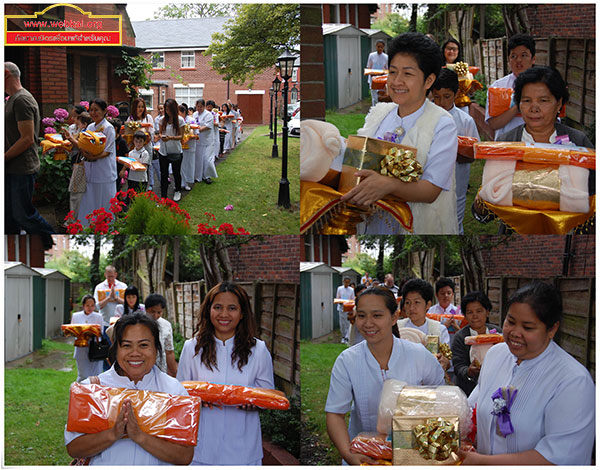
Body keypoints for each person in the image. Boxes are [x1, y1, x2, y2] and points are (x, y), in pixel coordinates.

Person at [459, 282, 595, 465]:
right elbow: (471, 407)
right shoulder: (495, 355)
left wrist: (483, 462)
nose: (515, 333)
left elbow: (559, 457)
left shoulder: (573, 381)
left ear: (552, 329)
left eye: (528, 327)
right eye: (511, 322)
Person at [339, 32, 459, 234]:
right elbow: (358, 158)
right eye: (393, 72)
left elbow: (431, 190)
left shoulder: (442, 123)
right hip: (371, 220)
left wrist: (388, 185)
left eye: (408, 74)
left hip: (414, 224)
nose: (396, 81)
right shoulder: (379, 113)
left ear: (428, 81)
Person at [325, 287, 444, 465]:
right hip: (365, 456)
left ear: (394, 317)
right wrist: (347, 453)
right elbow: (335, 413)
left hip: (415, 454)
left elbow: (442, 396)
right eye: (362, 316)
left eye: (377, 316)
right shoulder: (347, 361)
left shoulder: (418, 354)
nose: (368, 323)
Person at [474, 66, 595, 231]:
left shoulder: (578, 143)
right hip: (515, 233)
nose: (534, 108)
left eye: (543, 100)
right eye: (526, 100)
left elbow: (592, 198)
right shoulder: (506, 143)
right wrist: (484, 199)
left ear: (559, 103)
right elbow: (486, 212)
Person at [64, 312, 194, 465]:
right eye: (126, 345)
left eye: (144, 345)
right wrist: (113, 434)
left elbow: (185, 455)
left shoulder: (174, 391)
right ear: (116, 349)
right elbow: (74, 448)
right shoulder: (91, 389)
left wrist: (139, 436)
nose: (135, 353)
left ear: (156, 348)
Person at [177, 282, 275, 465]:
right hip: (201, 449)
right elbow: (179, 392)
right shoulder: (192, 348)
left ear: (242, 313)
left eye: (232, 308)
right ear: (208, 310)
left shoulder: (258, 350)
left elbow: (267, 393)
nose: (224, 314)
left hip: (244, 449)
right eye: (217, 307)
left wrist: (255, 403)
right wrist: (195, 400)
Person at [5, 62, 55, 248]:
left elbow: (26, 139)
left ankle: (50, 243)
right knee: (8, 218)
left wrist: (4, 158)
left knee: (23, 215)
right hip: (11, 168)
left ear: (6, 74)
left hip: (21, 168)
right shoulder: (11, 99)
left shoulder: (22, 100)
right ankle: (13, 249)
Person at [431, 68, 480, 233]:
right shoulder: (425, 117)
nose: (441, 103)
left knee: (454, 222)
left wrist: (456, 153)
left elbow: (475, 153)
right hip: (430, 182)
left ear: (457, 93)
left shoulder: (465, 121)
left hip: (457, 181)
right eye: (436, 97)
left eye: (446, 97)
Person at [63, 98, 117, 226]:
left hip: (104, 171)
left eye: (96, 110)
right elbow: (83, 145)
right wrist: (70, 138)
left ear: (104, 111)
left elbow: (108, 151)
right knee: (90, 200)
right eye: (91, 110)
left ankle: (106, 226)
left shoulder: (108, 128)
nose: (93, 113)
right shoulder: (91, 127)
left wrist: (93, 157)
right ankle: (88, 226)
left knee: (105, 200)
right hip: (90, 170)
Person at [485, 34, 536, 140]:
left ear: (533, 59)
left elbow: (552, 121)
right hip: (505, 146)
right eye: (513, 56)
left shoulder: (543, 86)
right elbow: (493, 124)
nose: (518, 60)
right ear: (508, 60)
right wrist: (518, 106)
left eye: (524, 55)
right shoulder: (497, 87)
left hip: (534, 146)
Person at [450, 291, 500, 396]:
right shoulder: (460, 337)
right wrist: (468, 371)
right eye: (470, 312)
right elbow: (458, 365)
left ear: (487, 312)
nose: (475, 316)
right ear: (465, 315)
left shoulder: (498, 333)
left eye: (479, 311)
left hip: (496, 386)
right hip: (469, 390)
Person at [398, 278, 450, 371]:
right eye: (407, 303)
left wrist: (444, 361)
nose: (411, 308)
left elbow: (448, 363)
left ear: (428, 305)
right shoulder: (397, 328)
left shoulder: (438, 330)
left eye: (417, 302)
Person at [156, 98, 184, 202]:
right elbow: (159, 132)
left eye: (170, 109)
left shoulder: (180, 120)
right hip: (163, 151)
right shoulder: (162, 120)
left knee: (176, 173)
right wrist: (160, 136)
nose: (168, 112)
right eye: (166, 109)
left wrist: (170, 138)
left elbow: (181, 136)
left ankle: (177, 190)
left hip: (176, 150)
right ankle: (163, 196)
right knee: (164, 174)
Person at [71, 295, 104, 382]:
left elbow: (101, 332)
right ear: (83, 305)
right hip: (81, 347)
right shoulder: (76, 316)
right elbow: (73, 331)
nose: (90, 308)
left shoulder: (98, 317)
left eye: (92, 305)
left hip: (95, 347)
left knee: (96, 373)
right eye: (87, 305)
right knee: (83, 374)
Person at [144, 294, 177, 377]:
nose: (155, 316)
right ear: (146, 309)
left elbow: (169, 351)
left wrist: (174, 372)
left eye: (159, 312)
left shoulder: (166, 325)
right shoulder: (139, 324)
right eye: (152, 312)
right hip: (142, 367)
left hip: (160, 368)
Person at [67, 112, 93, 217]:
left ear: (85, 124)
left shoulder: (85, 134)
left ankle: (74, 218)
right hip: (85, 166)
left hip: (81, 165)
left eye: (80, 123)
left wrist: (70, 138)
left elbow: (82, 148)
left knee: (76, 193)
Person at [127, 97, 156, 191]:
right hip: (135, 147)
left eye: (142, 107)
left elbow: (152, 132)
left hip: (146, 146)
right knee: (135, 165)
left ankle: (148, 184)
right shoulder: (131, 119)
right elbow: (128, 132)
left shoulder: (148, 118)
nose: (140, 109)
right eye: (138, 107)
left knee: (147, 165)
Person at [193, 99, 218, 185]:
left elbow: (207, 126)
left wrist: (197, 129)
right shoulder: (195, 114)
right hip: (198, 140)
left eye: (201, 106)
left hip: (208, 141)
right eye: (197, 107)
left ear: (204, 106)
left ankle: (207, 176)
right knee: (199, 159)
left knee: (207, 159)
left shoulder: (209, 115)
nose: (199, 108)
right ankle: (198, 176)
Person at [178, 103, 196, 191]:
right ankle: (181, 183)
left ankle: (187, 182)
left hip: (190, 146)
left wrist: (188, 137)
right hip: (180, 146)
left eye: (179, 113)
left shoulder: (192, 120)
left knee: (188, 165)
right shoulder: (177, 120)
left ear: (184, 112)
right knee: (181, 166)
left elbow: (195, 133)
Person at [366, 39, 388, 107]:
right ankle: (374, 111)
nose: (380, 48)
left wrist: (383, 74)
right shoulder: (372, 55)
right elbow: (368, 67)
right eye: (378, 47)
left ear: (383, 47)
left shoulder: (386, 57)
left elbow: (387, 69)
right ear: (376, 47)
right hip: (373, 79)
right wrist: (372, 74)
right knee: (374, 98)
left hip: (382, 79)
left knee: (381, 96)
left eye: (381, 47)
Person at [335, 277, 355, 344]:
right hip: (341, 307)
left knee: (347, 323)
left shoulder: (351, 290)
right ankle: (343, 336)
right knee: (342, 323)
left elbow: (352, 299)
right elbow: (338, 297)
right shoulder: (340, 288)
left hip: (348, 308)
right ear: (343, 282)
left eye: (348, 282)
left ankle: (347, 337)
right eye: (345, 282)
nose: (346, 284)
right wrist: (340, 302)